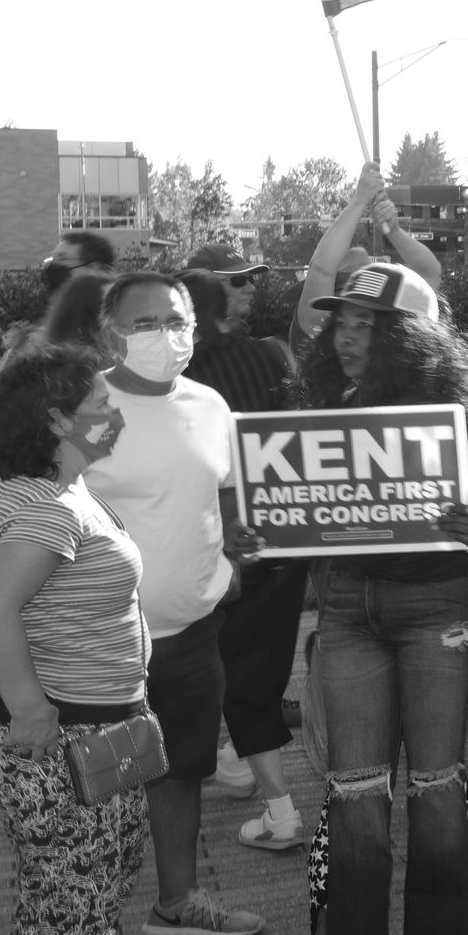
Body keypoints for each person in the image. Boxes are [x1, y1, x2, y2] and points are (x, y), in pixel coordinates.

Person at [279, 261, 468, 935]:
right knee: (354, 792)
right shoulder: (323, 408)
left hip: (434, 613)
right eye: (341, 323)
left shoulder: (460, 416)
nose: (347, 339)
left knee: (437, 789)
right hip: (349, 612)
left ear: (409, 337)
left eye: (368, 326)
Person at [0, 344, 168, 935]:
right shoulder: (47, 505)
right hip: (67, 732)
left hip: (93, 723)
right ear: (56, 418)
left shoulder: (45, 490)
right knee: (73, 886)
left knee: (62, 880)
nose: (114, 414)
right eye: (99, 406)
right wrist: (30, 709)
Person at [78, 272, 264, 935]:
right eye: (147, 322)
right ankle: (81, 928)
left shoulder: (211, 405)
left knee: (181, 768)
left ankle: (177, 902)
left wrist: (234, 552)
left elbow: (229, 493)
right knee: (96, 788)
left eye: (177, 320)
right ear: (111, 333)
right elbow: (47, 505)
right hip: (101, 643)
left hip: (191, 634)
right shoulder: (92, 405)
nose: (167, 335)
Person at [177, 270, 307, 850]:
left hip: (219, 541)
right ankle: (253, 778)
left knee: (218, 669)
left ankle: (269, 799)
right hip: (284, 532)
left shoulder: (180, 381)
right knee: (260, 670)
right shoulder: (270, 357)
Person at [289, 165, 445, 353]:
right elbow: (322, 268)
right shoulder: (319, 331)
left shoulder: (378, 342)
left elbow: (430, 275)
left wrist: (393, 229)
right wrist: (360, 203)